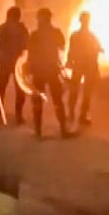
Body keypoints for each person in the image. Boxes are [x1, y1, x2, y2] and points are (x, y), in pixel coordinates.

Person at [27, 8, 71, 139]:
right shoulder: (55, 32)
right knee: (57, 101)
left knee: (38, 101)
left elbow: (31, 53)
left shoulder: (34, 34)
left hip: (39, 71)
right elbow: (62, 46)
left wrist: (29, 69)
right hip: (51, 70)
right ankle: (63, 130)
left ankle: (38, 132)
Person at [0, 7, 29, 124]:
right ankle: (18, 115)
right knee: (20, 89)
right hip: (18, 62)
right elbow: (27, 44)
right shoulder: (22, 29)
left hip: (5, 61)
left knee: (1, 87)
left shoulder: (2, 28)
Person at [67, 11, 103, 126]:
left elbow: (71, 51)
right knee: (83, 91)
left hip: (82, 66)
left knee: (78, 91)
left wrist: (70, 61)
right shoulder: (90, 36)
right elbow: (98, 48)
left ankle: (74, 113)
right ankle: (79, 114)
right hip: (87, 66)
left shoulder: (78, 35)